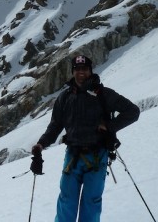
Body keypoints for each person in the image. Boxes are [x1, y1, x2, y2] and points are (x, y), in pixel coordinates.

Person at [31, 54, 140, 222]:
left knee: (91, 202)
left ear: (90, 71)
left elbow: (133, 111)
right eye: (77, 69)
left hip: (97, 155)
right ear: (73, 71)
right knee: (66, 201)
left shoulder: (104, 94)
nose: (81, 72)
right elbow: (55, 126)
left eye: (85, 69)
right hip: (73, 155)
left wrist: (110, 127)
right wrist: (41, 144)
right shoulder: (65, 97)